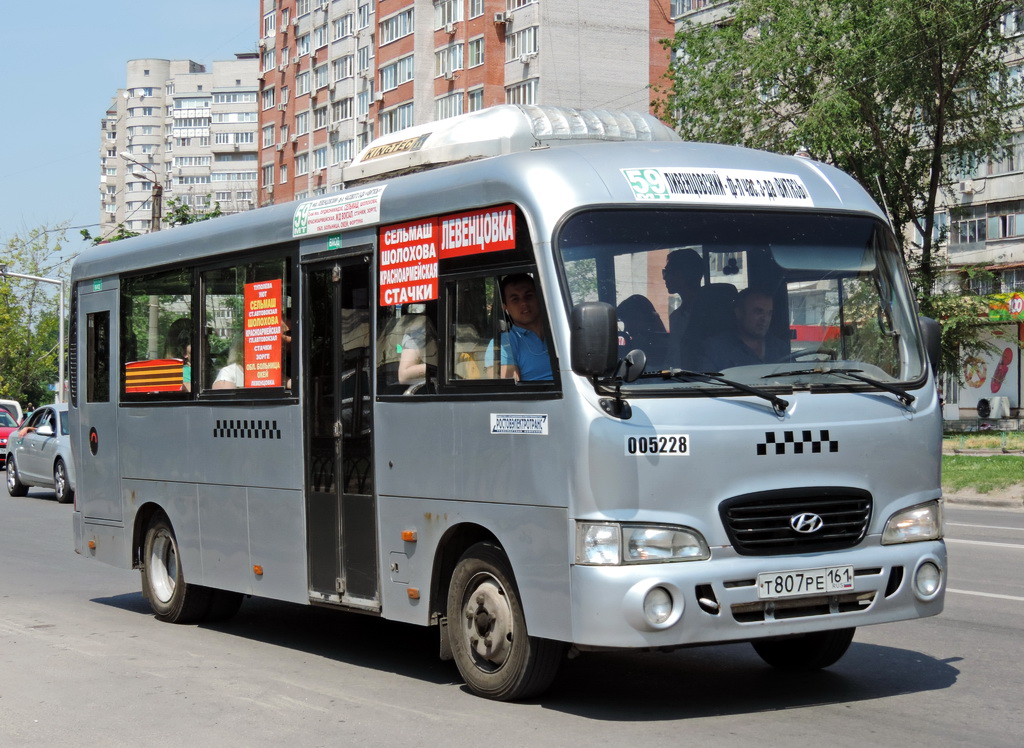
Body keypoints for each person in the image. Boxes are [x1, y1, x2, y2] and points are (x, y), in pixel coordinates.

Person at [704, 288, 789, 370]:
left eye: (769, 313)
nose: (765, 319)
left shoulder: (779, 348)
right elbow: (706, 383)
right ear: (739, 313)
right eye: (758, 312)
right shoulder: (716, 349)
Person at [489, 273, 552, 381]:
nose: (523, 303)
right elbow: (511, 393)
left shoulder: (561, 332)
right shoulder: (504, 343)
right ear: (505, 307)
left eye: (528, 296)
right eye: (515, 299)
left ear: (539, 297)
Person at [662, 248, 704, 365]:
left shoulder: (709, 314)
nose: (664, 278)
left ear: (680, 275)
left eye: (667, 272)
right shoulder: (676, 316)